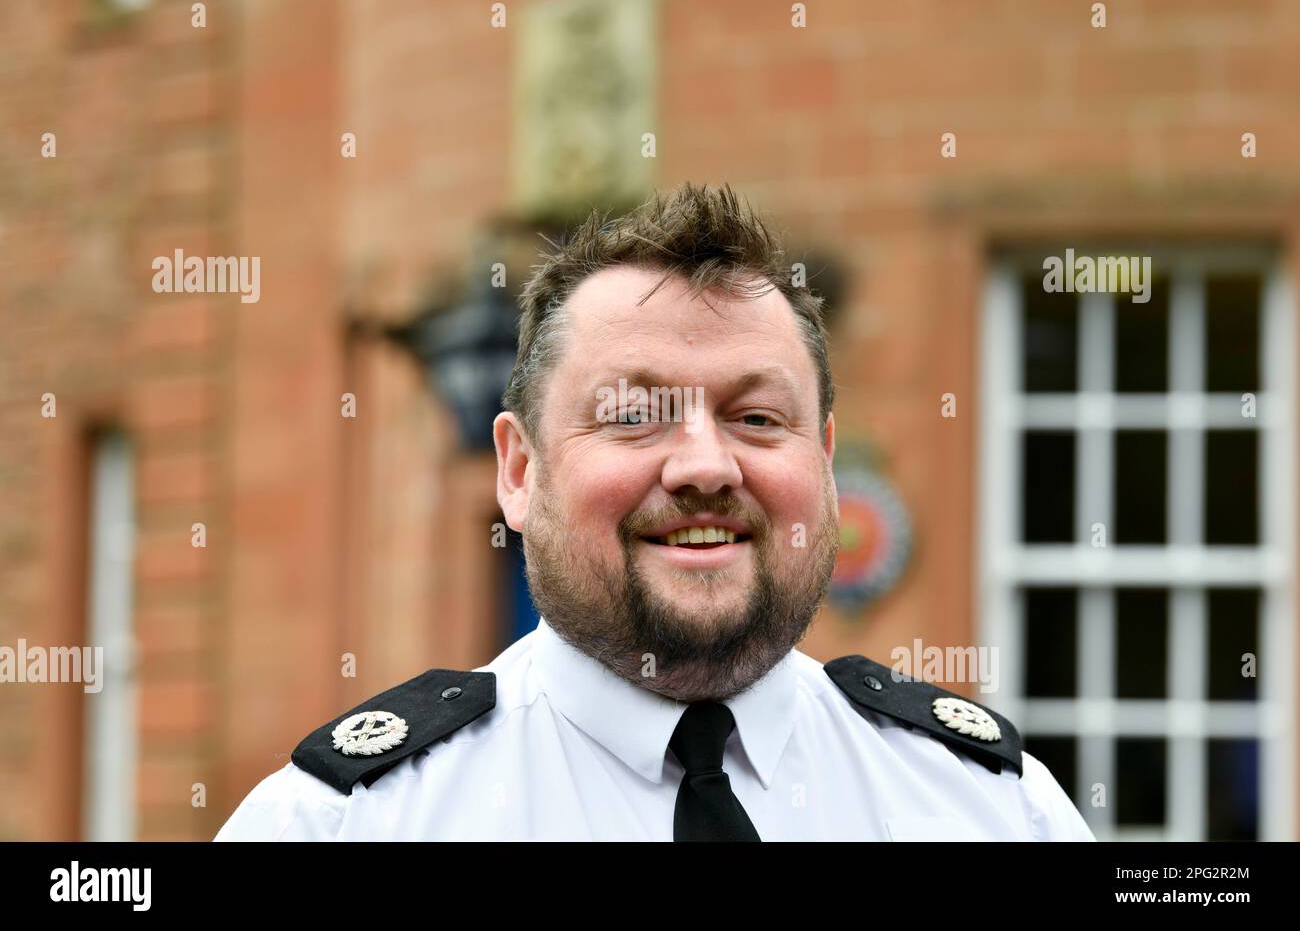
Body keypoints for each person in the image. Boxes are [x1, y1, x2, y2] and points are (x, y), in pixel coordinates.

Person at [214, 183, 1095, 841]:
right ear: (519, 472)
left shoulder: (992, 809)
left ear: (823, 466)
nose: (707, 466)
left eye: (757, 418)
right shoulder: (338, 828)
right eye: (634, 415)